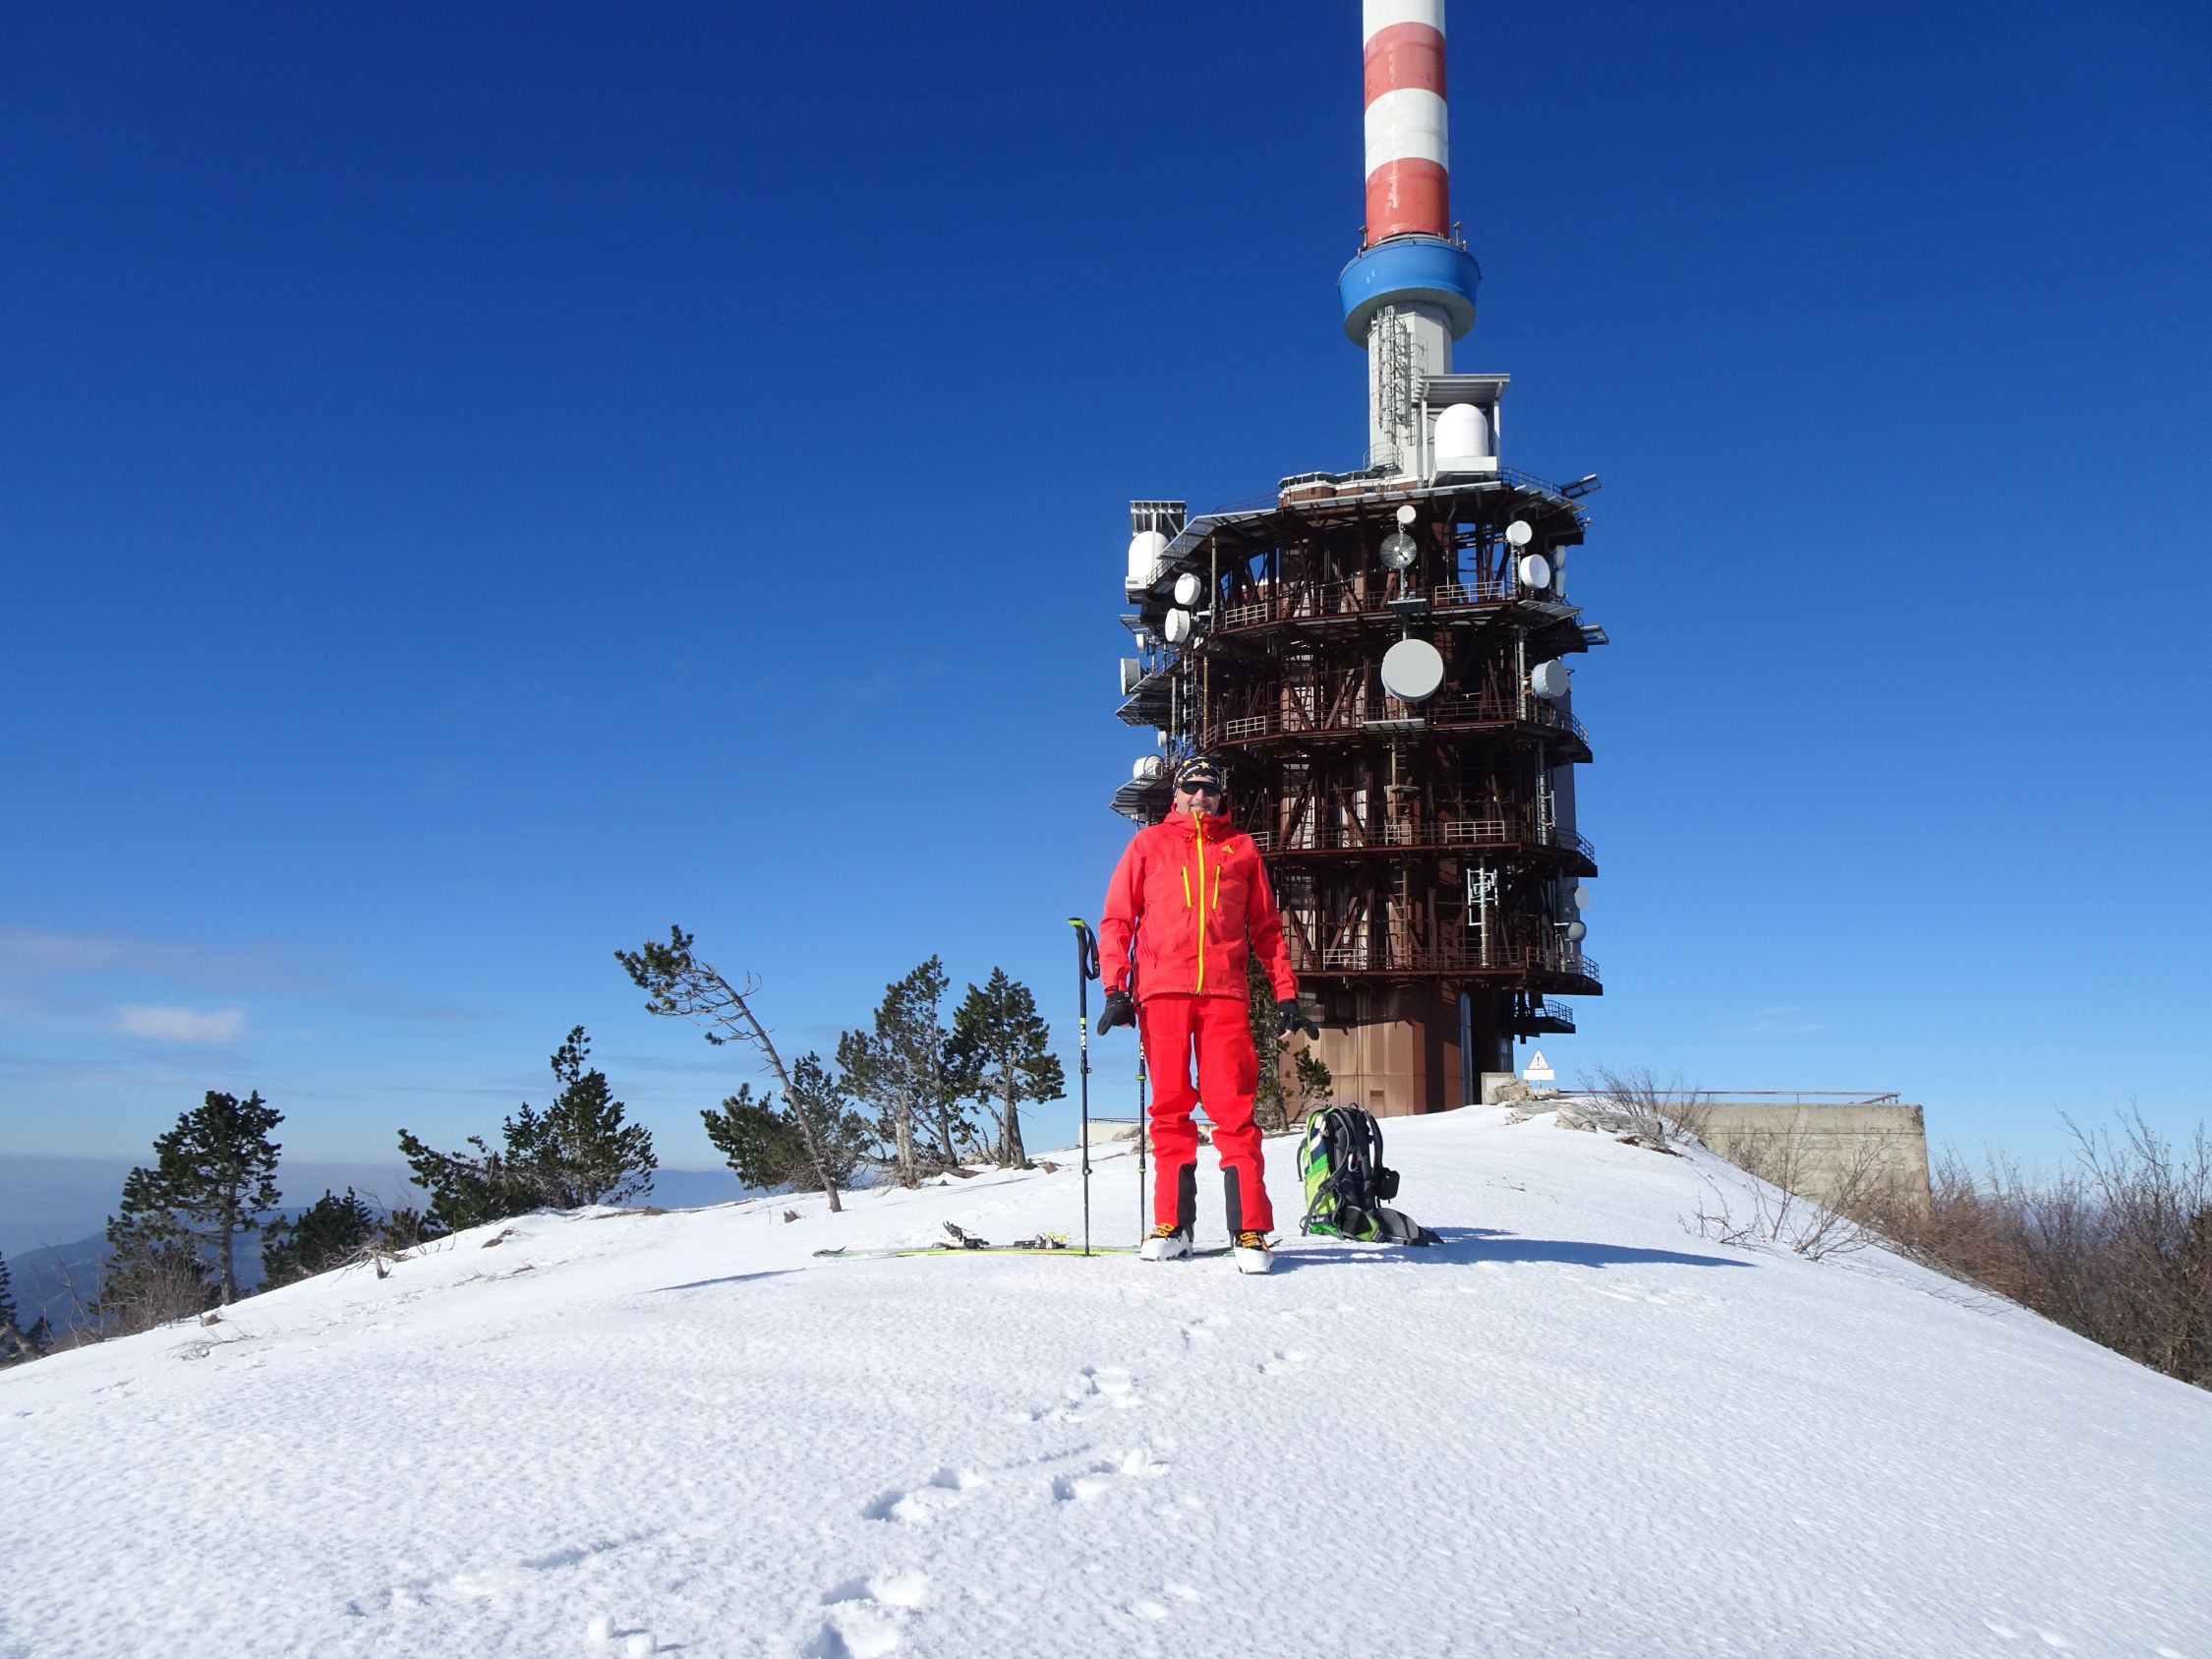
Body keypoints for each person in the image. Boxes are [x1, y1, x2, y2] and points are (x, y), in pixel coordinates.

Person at [1097, 755, 1316, 1274]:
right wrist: (1115, 987)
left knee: (1234, 1110)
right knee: (1170, 1110)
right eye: (1192, 787)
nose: (1201, 796)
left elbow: (1267, 929)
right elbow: (1118, 918)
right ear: (1176, 794)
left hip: (1224, 995)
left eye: (1210, 789)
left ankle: (1250, 1230)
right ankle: (1173, 1226)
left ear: (1221, 796)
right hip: (1162, 994)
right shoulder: (1148, 845)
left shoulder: (1241, 849)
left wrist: (1286, 993)